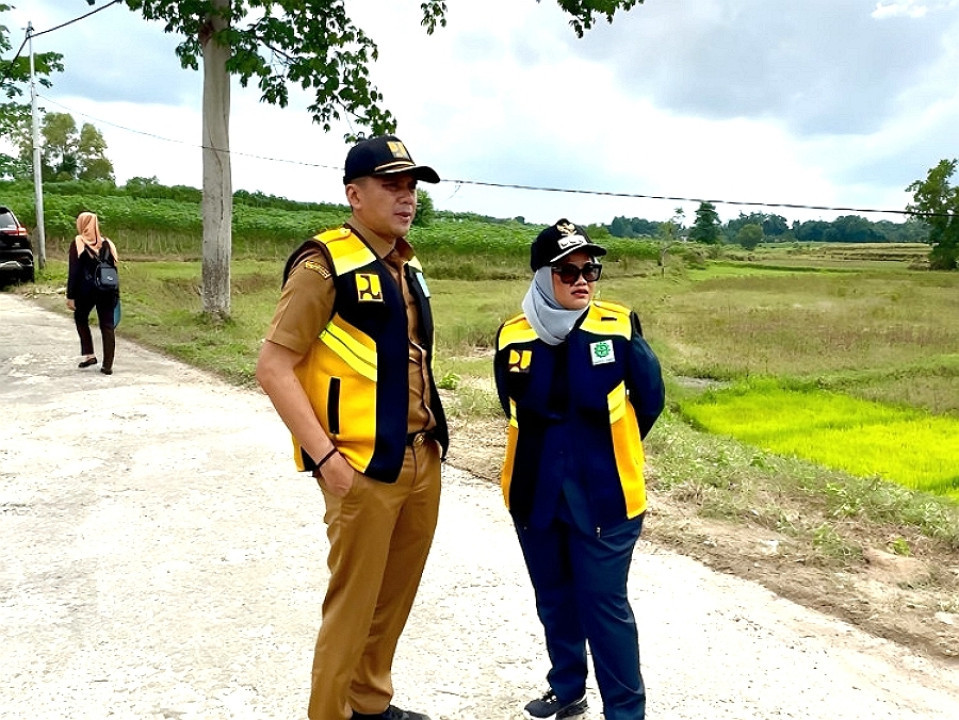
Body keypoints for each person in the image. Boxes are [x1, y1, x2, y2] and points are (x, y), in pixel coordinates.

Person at [255, 135, 449, 720]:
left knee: (392, 602)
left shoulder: (406, 263)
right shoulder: (325, 264)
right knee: (352, 608)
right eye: (392, 185)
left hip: (419, 459)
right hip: (361, 469)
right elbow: (273, 366)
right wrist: (325, 460)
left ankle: (370, 702)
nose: (406, 197)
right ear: (354, 194)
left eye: (411, 186)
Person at [493, 220, 665, 720]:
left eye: (590, 269)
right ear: (543, 278)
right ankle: (567, 689)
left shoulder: (616, 325)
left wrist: (609, 451)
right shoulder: (511, 337)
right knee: (554, 600)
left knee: (604, 609)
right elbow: (511, 407)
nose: (582, 279)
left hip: (606, 497)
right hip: (535, 495)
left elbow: (649, 401)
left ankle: (625, 714)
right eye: (567, 271)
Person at [67, 211, 119, 375]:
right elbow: (113, 270)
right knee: (107, 326)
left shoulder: (78, 242)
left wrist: (70, 296)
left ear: (82, 224)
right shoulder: (108, 244)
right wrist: (116, 294)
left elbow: (74, 271)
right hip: (107, 290)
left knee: (80, 317)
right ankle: (108, 365)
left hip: (86, 291)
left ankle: (89, 355)